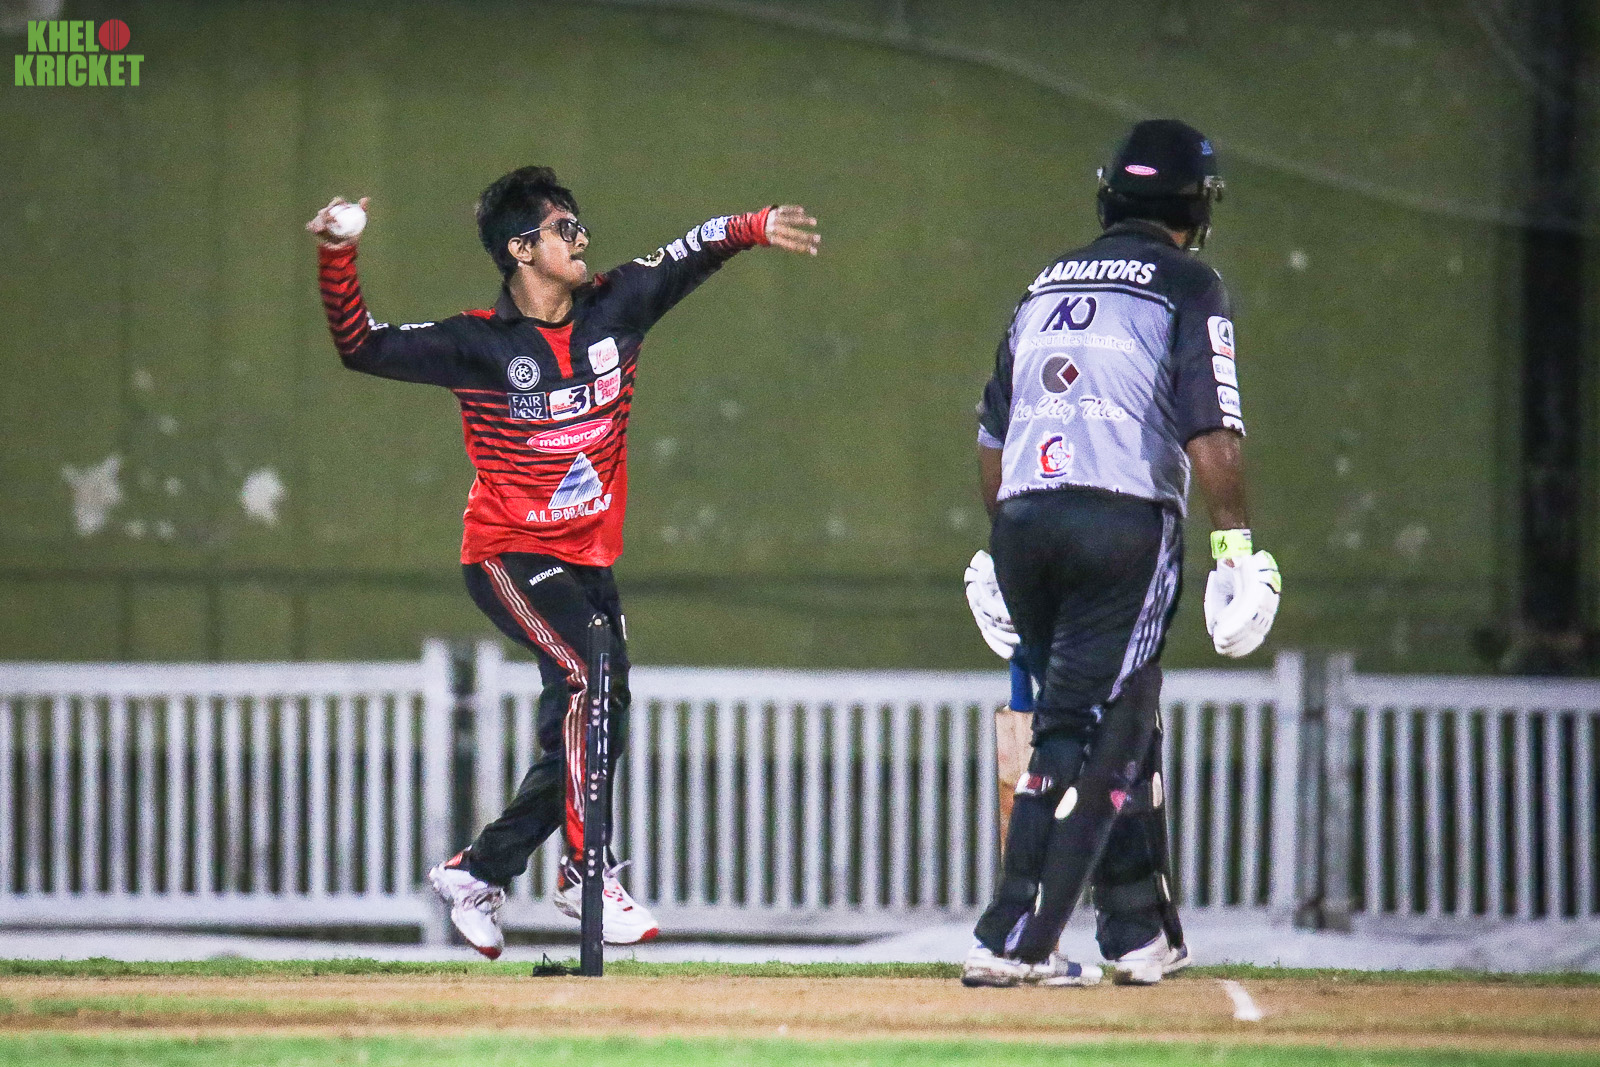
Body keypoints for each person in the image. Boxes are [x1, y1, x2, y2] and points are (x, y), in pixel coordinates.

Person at [307, 167, 820, 958]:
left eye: (578, 225)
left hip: (589, 560)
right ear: (521, 249)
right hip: (507, 553)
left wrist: (752, 225)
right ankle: (586, 871)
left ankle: (478, 871)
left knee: (598, 724)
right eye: (562, 228)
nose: (581, 239)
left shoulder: (617, 307)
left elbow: (693, 249)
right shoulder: (480, 344)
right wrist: (338, 253)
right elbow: (361, 346)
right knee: (591, 673)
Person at [959, 120, 1280, 988]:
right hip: (1122, 522)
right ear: (1196, 206)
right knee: (1084, 725)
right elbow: (1212, 424)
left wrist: (999, 545)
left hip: (1025, 520)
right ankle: (1011, 933)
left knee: (1123, 709)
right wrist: (1236, 547)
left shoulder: (1045, 281)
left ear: (1112, 194)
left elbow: (994, 434)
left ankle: (1137, 929)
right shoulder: (1188, 282)